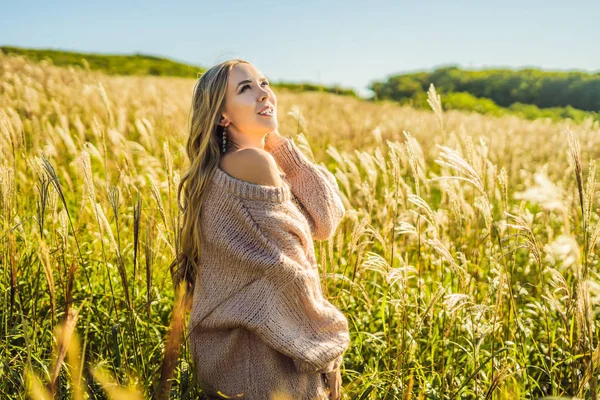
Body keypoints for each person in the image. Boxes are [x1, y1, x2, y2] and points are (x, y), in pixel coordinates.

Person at [170, 58, 349, 400]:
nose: (263, 93)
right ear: (223, 116)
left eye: (264, 83)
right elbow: (289, 273)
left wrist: (277, 141)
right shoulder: (253, 164)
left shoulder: (232, 165)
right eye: (245, 88)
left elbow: (323, 220)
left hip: (239, 356)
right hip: (263, 364)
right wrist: (327, 344)